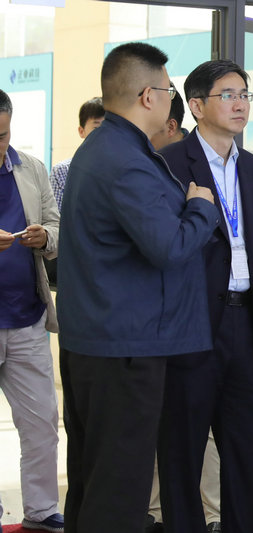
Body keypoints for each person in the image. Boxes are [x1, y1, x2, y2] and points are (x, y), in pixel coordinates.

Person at [57, 42, 219, 533]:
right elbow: (168, 246)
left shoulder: (104, 147)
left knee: (95, 482)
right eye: (169, 90)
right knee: (119, 490)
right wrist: (201, 206)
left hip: (103, 340)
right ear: (149, 95)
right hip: (125, 347)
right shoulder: (125, 159)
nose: (171, 100)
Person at [158, 59, 253, 533]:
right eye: (228, 94)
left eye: (244, 94)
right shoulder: (169, 163)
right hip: (191, 325)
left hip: (242, 321)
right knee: (182, 449)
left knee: (250, 445)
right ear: (198, 106)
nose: (240, 103)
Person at [146, 86, 223, 533]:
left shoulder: (241, 167)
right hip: (165, 323)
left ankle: (213, 514)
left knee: (201, 427)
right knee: (172, 427)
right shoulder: (157, 168)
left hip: (209, 317)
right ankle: (159, 512)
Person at [0, 89, 63, 533]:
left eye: (2, 135)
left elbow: (56, 223)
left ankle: (40, 510)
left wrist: (45, 237)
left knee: (42, 421)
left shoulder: (32, 168)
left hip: (26, 317)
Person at [49, 97, 105, 212]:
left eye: (107, 127)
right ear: (81, 131)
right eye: (96, 127)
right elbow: (55, 219)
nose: (103, 133)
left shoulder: (122, 169)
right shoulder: (62, 172)